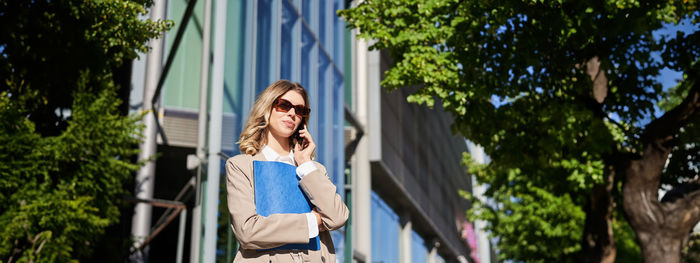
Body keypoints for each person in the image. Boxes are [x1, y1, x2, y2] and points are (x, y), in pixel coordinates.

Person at [226, 80, 349, 263]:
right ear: (267, 108)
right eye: (284, 106)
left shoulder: (313, 169)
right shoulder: (242, 166)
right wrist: (313, 221)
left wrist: (305, 163)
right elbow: (248, 230)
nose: (292, 113)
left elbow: (338, 217)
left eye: (300, 110)